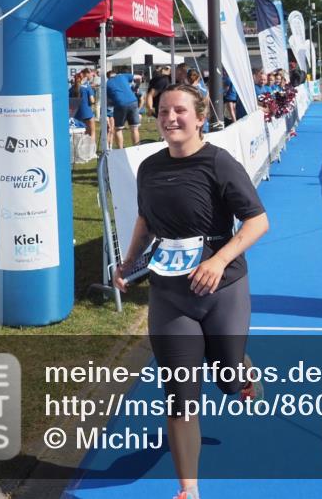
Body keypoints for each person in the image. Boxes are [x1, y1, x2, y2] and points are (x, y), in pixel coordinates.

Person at [112, 85, 269, 499]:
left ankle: (241, 370)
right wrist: (129, 261)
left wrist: (217, 261)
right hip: (169, 292)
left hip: (223, 286)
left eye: (180, 110)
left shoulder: (219, 163)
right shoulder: (148, 166)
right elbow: (145, 219)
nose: (170, 118)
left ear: (200, 117)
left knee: (227, 380)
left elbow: (257, 222)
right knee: (180, 396)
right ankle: (189, 489)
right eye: (163, 111)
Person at [107, 68, 141, 148]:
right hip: (133, 101)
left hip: (120, 104)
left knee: (118, 129)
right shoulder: (122, 76)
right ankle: (137, 148)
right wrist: (136, 88)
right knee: (134, 128)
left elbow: (109, 101)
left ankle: (121, 150)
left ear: (108, 77)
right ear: (116, 74)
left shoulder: (107, 84)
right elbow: (139, 77)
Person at [71, 70, 96, 142]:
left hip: (76, 115)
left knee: (80, 134)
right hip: (87, 113)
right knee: (92, 133)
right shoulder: (87, 87)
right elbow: (92, 100)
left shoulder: (71, 89)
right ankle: (91, 151)